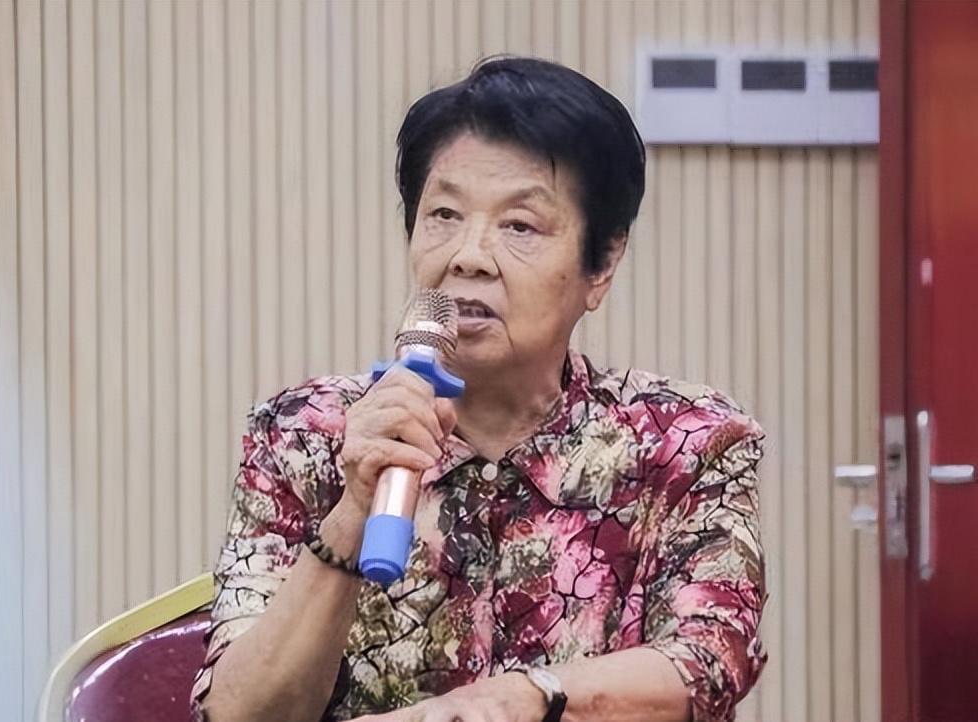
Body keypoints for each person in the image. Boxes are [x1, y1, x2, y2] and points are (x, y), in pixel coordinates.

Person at [192, 56, 767, 722]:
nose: (467, 256)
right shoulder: (302, 434)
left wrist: (514, 700)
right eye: (443, 214)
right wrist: (353, 512)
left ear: (603, 264)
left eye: (519, 226)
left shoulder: (685, 442)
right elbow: (237, 714)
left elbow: (709, 661)